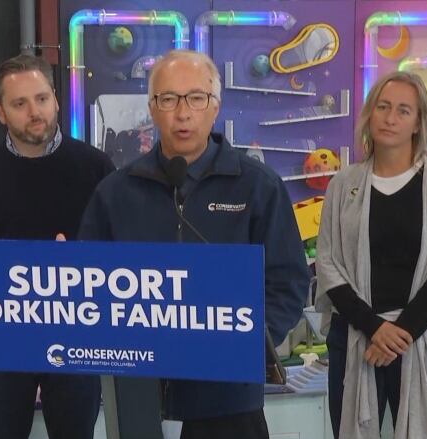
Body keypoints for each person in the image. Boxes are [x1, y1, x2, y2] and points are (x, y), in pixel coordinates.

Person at [79, 49, 310, 439]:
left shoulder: (257, 186)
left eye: (196, 98)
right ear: (152, 109)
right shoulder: (115, 192)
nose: (182, 113)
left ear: (215, 106)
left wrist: (246, 341)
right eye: (168, 99)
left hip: (229, 400)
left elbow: (287, 282)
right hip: (139, 397)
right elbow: (89, 282)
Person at [0, 54, 115, 439]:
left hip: (76, 333)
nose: (34, 112)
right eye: (19, 104)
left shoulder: (97, 168)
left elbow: (121, 257)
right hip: (0, 340)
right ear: (1, 113)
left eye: (41, 98)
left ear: (56, 99)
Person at [315, 71, 427, 439]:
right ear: (369, 114)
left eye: (403, 111)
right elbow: (327, 264)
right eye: (383, 107)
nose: (390, 118)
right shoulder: (343, 185)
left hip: (425, 337)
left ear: (419, 123)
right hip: (358, 336)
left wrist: (400, 333)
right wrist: (375, 329)